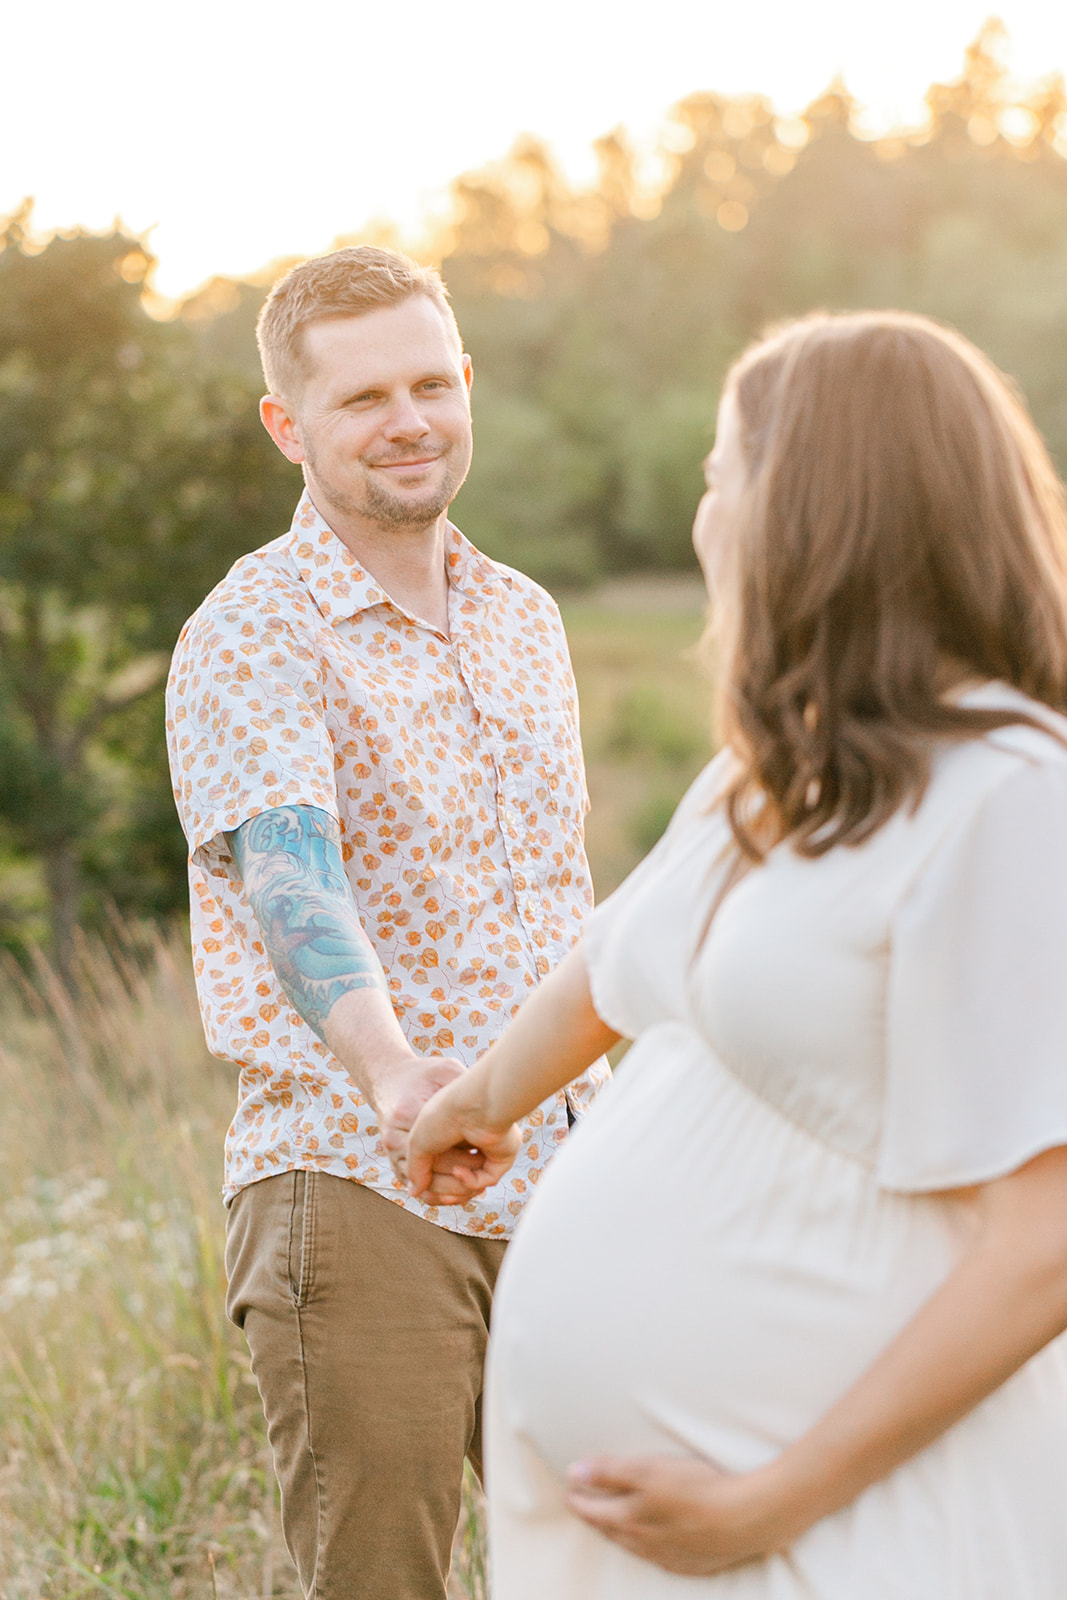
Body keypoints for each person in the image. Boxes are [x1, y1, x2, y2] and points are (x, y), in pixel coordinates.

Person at [402, 310, 1067, 1597]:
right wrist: (480, 1098)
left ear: (813, 513)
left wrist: (765, 1500)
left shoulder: (1008, 797)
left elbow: (1044, 1236)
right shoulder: (778, 767)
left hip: (845, 1523)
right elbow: (617, 958)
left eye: (720, 476)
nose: (704, 517)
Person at [164, 245, 607, 1600]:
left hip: (566, 1192)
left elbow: (558, 897)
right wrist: (395, 1070)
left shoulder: (523, 620)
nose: (406, 418)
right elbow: (288, 876)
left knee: (620, 1563)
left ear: (466, 384)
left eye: (429, 382)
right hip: (361, 1183)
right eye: (361, 398)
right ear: (286, 426)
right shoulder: (255, 627)